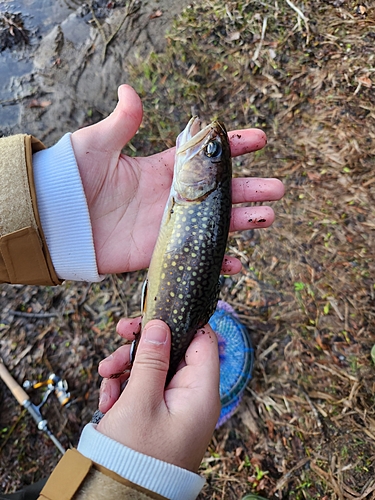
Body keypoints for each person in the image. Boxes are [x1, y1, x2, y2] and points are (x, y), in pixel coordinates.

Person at [0, 84, 284, 499]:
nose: (208, 143)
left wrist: (50, 199)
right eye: (214, 153)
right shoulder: (194, 193)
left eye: (210, 154)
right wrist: (129, 473)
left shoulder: (194, 194)